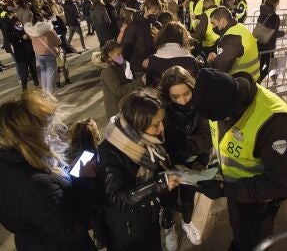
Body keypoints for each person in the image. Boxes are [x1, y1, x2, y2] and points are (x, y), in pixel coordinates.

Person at [192, 68, 287, 251]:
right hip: (237, 192)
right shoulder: (220, 98)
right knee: (239, 232)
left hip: (260, 202)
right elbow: (223, 143)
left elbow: (282, 183)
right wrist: (212, 167)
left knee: (253, 241)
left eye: (218, 118)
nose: (214, 121)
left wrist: (225, 189)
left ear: (231, 109)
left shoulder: (277, 121)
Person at [0, 89, 98, 251]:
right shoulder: (37, 184)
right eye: (47, 128)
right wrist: (82, 179)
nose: (52, 134)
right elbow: (75, 228)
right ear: (31, 135)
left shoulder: (10, 162)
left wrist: (70, 174)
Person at [95, 89, 180, 251]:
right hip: (128, 231)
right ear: (138, 124)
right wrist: (160, 185)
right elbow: (117, 198)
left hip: (149, 218)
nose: (162, 128)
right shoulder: (109, 151)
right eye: (156, 124)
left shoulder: (147, 138)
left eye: (162, 121)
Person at [159, 66, 212, 251]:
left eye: (186, 94)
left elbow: (208, 134)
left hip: (193, 162)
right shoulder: (160, 110)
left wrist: (192, 146)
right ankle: (168, 228)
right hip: (169, 164)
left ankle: (187, 222)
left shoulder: (202, 105)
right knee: (168, 199)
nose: (182, 101)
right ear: (167, 95)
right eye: (175, 97)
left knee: (189, 196)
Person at [207, 6, 260, 81]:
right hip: (252, 79)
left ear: (222, 21)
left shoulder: (230, 39)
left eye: (213, 23)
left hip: (241, 84)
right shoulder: (240, 27)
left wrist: (211, 61)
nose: (212, 27)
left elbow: (220, 69)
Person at [96, 40, 146, 119]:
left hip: (120, 106)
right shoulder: (108, 71)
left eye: (121, 53)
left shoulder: (115, 66)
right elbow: (120, 90)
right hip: (116, 110)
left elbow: (122, 81)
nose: (121, 56)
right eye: (118, 54)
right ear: (109, 56)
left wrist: (137, 81)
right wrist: (139, 82)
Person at [143, 21, 199, 87]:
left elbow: (149, 87)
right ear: (184, 38)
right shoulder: (191, 61)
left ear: (162, 36)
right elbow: (196, 86)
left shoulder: (153, 61)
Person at [121, 0, 162, 78]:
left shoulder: (157, 25)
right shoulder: (133, 26)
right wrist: (141, 62)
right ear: (146, 9)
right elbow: (124, 51)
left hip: (156, 67)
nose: (155, 15)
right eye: (153, 12)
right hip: (140, 70)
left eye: (157, 13)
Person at [24, 13, 61, 94]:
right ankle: (49, 94)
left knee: (43, 72)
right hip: (49, 53)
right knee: (51, 74)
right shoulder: (48, 30)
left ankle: (44, 92)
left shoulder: (30, 30)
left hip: (38, 53)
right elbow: (58, 42)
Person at [256, 0, 287, 83]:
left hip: (260, 42)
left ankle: (257, 80)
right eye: (278, 3)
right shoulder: (274, 17)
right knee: (271, 65)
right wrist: (283, 32)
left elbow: (267, 27)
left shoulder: (263, 12)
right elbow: (273, 33)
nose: (278, 5)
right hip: (269, 45)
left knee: (261, 64)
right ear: (274, 4)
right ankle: (258, 81)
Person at [41, 5, 74, 87]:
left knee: (64, 63)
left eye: (45, 12)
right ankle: (58, 82)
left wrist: (60, 36)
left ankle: (67, 79)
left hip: (61, 43)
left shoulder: (57, 18)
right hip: (52, 47)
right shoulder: (43, 22)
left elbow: (64, 29)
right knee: (56, 65)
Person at [9, 17, 39, 91]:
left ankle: (37, 86)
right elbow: (14, 44)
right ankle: (24, 90)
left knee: (34, 71)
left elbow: (32, 38)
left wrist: (29, 37)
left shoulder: (26, 29)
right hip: (21, 56)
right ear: (14, 23)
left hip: (30, 54)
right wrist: (22, 39)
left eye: (19, 21)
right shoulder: (11, 32)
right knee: (24, 74)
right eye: (17, 21)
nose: (19, 23)